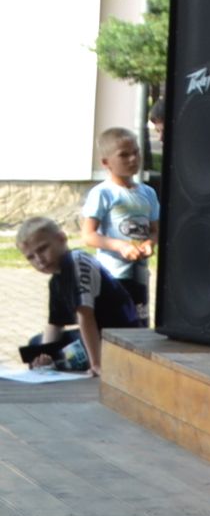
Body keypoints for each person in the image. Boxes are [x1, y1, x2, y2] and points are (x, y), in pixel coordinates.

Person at [19, 216, 139, 373]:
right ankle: (54, 364)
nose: (39, 259)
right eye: (31, 257)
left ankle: (94, 363)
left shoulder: (77, 263)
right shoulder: (56, 280)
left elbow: (85, 316)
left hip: (117, 336)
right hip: (96, 332)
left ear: (62, 239)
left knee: (70, 356)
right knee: (36, 344)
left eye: (42, 249)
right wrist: (44, 355)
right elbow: (55, 323)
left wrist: (96, 364)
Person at [79, 125, 158, 313]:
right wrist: (120, 246)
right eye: (124, 155)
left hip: (139, 273)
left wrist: (150, 243)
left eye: (136, 152)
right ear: (106, 162)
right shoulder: (103, 193)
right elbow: (88, 235)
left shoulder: (148, 193)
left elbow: (155, 230)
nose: (133, 159)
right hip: (112, 275)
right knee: (115, 322)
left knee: (138, 320)